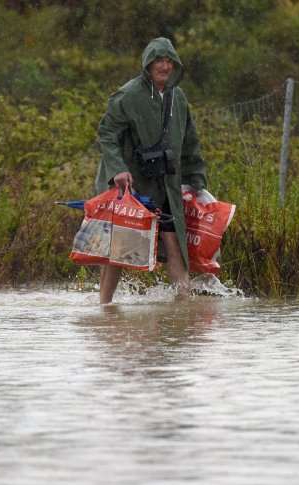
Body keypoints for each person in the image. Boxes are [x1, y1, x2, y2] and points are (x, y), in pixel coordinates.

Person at [94, 37, 208, 304]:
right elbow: (107, 134)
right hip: (131, 185)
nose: (164, 66)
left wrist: (196, 180)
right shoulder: (128, 95)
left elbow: (190, 141)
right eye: (159, 60)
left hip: (166, 184)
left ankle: (183, 307)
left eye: (169, 61)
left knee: (175, 242)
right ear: (148, 65)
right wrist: (118, 170)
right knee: (120, 249)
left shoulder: (178, 97)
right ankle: (104, 306)